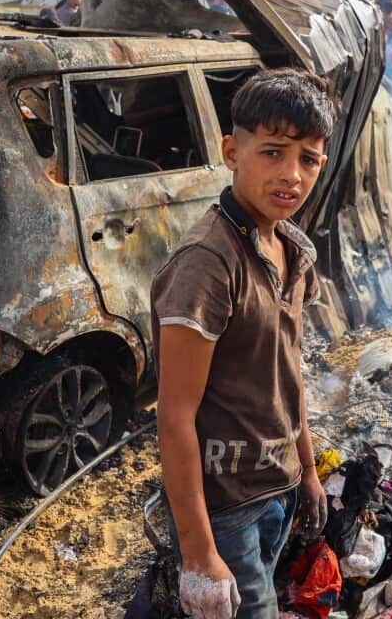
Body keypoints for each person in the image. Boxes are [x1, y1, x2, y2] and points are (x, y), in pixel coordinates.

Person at [153, 68, 335, 619]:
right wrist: (199, 553)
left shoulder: (292, 250)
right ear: (232, 151)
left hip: (276, 485)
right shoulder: (208, 264)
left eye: (308, 159)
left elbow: (289, 371)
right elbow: (174, 417)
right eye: (273, 152)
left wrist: (306, 470)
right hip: (225, 504)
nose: (292, 176)